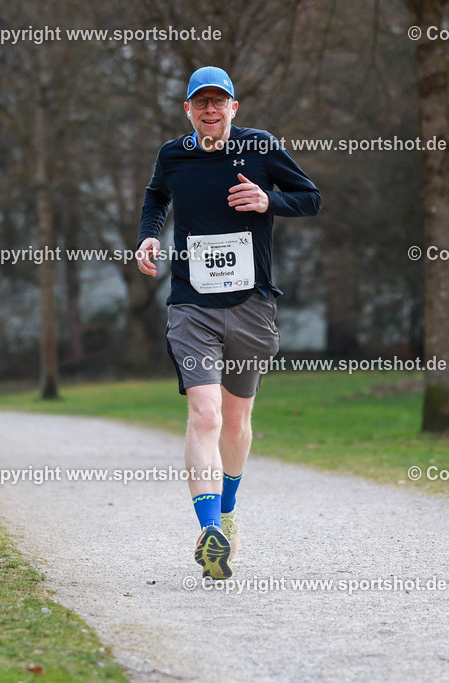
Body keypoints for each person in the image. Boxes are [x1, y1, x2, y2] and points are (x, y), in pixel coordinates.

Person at [136, 66, 321, 579]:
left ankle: (230, 515)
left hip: (251, 304)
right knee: (206, 415)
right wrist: (149, 236)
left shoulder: (261, 148)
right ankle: (208, 528)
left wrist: (269, 201)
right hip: (191, 304)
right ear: (188, 110)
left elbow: (311, 198)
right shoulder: (173, 154)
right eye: (201, 104)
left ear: (234, 109)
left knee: (237, 422)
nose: (210, 111)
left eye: (219, 103)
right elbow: (156, 197)